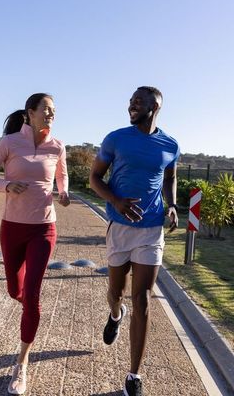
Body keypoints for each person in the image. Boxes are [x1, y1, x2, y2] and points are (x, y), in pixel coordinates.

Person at [89, 86, 180, 396]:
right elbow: (94, 179)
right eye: (130, 101)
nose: (131, 105)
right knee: (116, 292)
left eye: (138, 102)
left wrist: (172, 204)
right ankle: (115, 314)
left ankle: (133, 376)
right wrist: (116, 201)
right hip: (119, 227)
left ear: (154, 106)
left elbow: (170, 177)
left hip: (152, 229)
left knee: (142, 299)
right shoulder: (116, 138)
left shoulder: (170, 144)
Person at [0, 93, 70, 395]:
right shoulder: (9, 144)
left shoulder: (57, 146)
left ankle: (21, 365)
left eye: (54, 111)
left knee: (32, 295)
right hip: (12, 227)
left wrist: (64, 192)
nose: (51, 115)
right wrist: (6, 185)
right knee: (13, 290)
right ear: (30, 113)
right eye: (46, 109)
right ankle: (29, 309)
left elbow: (62, 177)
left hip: (44, 228)